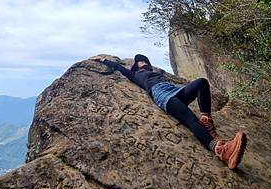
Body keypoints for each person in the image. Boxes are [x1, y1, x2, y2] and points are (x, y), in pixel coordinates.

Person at [90, 54, 247, 169]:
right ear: (136, 66)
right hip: (163, 96)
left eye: (144, 60)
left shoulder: (158, 73)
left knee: (201, 83)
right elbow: (119, 68)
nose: (142, 62)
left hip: (175, 90)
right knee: (190, 119)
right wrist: (104, 60)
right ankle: (221, 150)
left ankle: (206, 120)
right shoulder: (135, 75)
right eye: (139, 62)